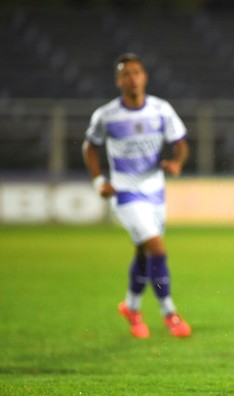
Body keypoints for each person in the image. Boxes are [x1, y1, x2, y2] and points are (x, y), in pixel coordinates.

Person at [82, 53, 192, 338]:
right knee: (157, 249)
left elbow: (180, 144)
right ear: (118, 80)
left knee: (144, 254)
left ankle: (131, 307)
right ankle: (170, 313)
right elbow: (89, 147)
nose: (132, 78)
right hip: (125, 193)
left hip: (155, 192)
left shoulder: (160, 110)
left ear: (144, 77)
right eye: (126, 74)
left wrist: (176, 162)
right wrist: (98, 180)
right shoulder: (106, 115)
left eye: (136, 72)